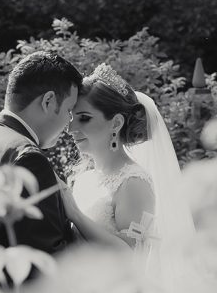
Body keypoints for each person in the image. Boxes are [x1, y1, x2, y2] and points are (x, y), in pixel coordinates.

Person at [61, 63, 196, 280]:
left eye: (84, 118)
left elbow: (131, 255)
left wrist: (74, 214)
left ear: (116, 122)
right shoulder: (85, 178)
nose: (71, 129)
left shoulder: (134, 183)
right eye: (71, 117)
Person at [0, 50, 82, 257]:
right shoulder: (28, 158)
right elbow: (44, 261)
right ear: (48, 101)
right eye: (69, 110)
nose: (69, 124)